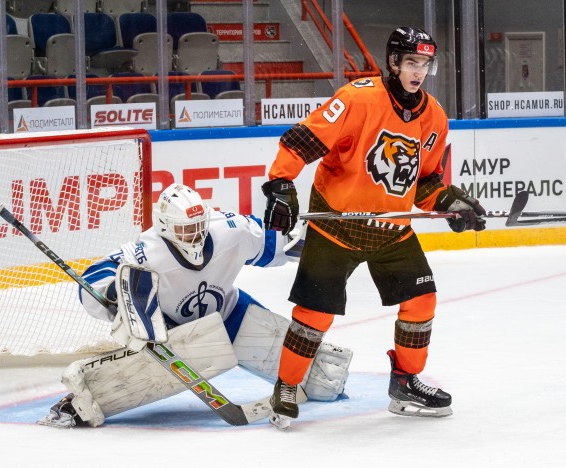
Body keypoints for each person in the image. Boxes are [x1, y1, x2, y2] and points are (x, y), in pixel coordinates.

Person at [261, 26, 486, 428]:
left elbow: (425, 183)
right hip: (337, 226)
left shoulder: (433, 115)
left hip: (392, 230)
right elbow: (303, 141)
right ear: (394, 62)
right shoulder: (357, 99)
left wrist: (453, 204)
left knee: (421, 302)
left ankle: (405, 382)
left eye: (426, 64)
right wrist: (281, 185)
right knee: (315, 313)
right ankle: (287, 385)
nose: (419, 71)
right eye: (412, 62)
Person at [39, 183, 352, 428]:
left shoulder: (230, 229)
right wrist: (109, 293)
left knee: (326, 380)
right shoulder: (148, 252)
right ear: (164, 227)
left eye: (199, 226)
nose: (196, 236)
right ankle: (76, 405)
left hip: (232, 314)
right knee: (116, 386)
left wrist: (317, 242)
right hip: (180, 336)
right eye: (186, 230)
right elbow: (97, 274)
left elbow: (277, 245)